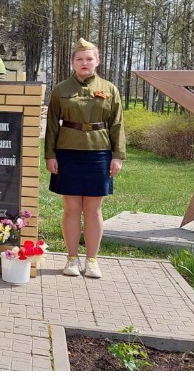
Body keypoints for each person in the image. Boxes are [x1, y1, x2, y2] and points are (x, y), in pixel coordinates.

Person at [44, 38, 125, 280]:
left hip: (99, 153)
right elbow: (51, 127)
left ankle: (92, 260)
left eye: (89, 58)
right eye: (79, 59)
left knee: (93, 208)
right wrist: (50, 155)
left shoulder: (109, 89)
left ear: (97, 61)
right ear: (72, 63)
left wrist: (118, 156)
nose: (84, 62)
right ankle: (71, 258)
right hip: (68, 152)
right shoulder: (60, 90)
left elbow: (118, 124)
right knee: (71, 208)